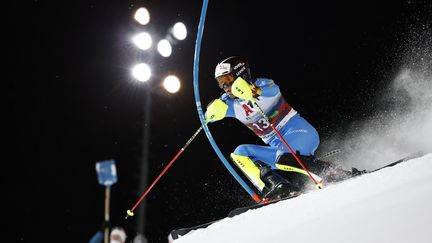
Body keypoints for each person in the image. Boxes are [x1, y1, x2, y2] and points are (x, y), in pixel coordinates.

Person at [205, 56, 361, 200]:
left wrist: (252, 90)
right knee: (240, 154)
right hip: (279, 147)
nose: (225, 86)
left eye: (228, 79)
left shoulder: (263, 84)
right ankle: (276, 186)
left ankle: (336, 174)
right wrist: (210, 112)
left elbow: (273, 90)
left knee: (284, 158)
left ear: (241, 75)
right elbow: (208, 115)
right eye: (221, 82)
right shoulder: (230, 103)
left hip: (300, 133)